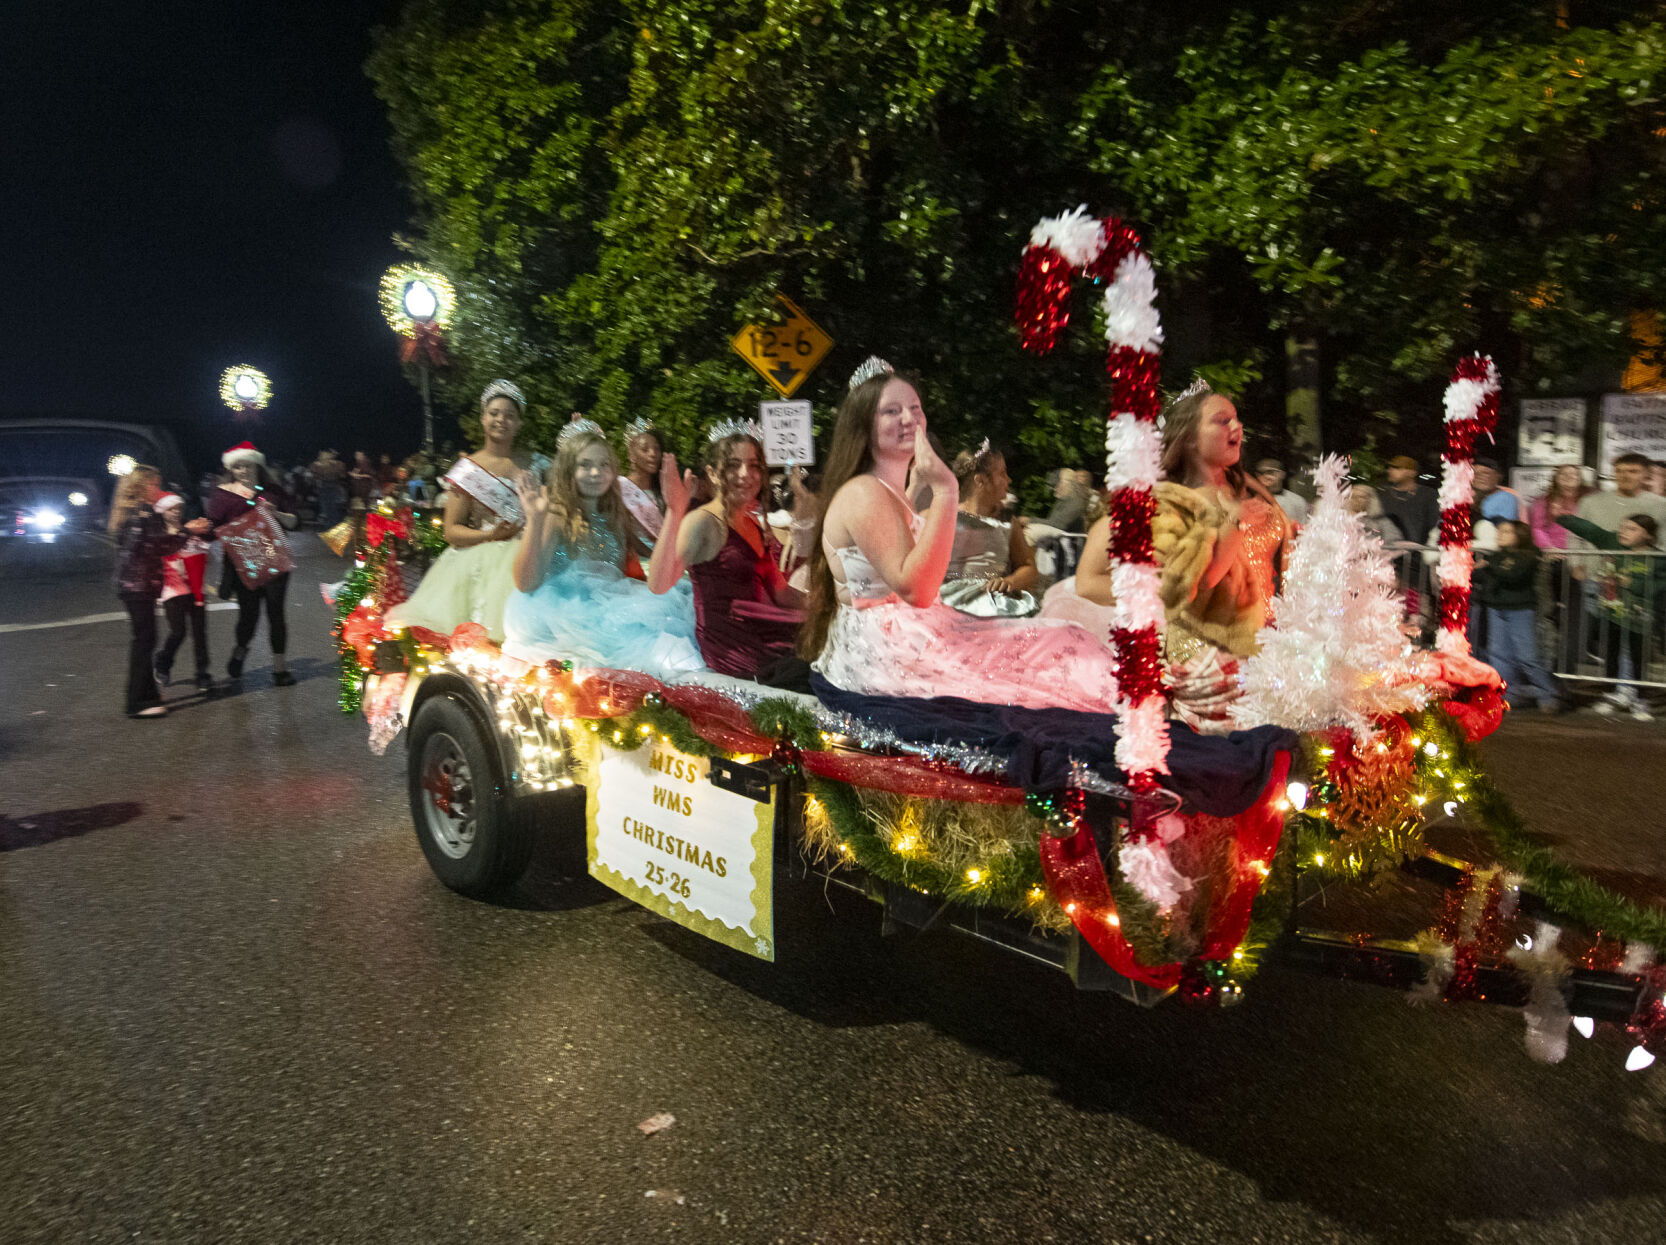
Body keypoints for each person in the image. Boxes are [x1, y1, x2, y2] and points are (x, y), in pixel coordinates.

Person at [798, 359, 1122, 712]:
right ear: (862, 425)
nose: (909, 419)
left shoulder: (888, 492)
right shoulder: (864, 492)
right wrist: (946, 490)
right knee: (1058, 654)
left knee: (1063, 642)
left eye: (915, 408)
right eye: (891, 411)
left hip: (919, 630)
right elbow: (916, 589)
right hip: (888, 651)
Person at [504, 421, 702, 676]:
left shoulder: (614, 516)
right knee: (652, 647)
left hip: (610, 608)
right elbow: (525, 583)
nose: (595, 472)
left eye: (603, 465)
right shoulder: (557, 515)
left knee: (675, 614)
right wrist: (536, 519)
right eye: (584, 465)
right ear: (567, 471)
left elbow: (620, 577)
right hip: (564, 612)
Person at [1148, 382, 1293, 731]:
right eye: (1222, 420)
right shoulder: (1172, 502)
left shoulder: (1249, 486)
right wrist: (1230, 523)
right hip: (1208, 651)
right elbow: (1184, 587)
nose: (1237, 427)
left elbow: (1281, 559)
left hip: (1270, 637)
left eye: (1237, 419)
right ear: (1190, 439)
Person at [383, 380, 547, 643]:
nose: (501, 420)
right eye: (494, 413)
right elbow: (451, 531)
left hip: (530, 556)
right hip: (482, 562)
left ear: (519, 424)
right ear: (483, 418)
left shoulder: (536, 463)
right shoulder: (467, 471)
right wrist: (491, 535)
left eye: (510, 415)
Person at [647, 421, 806, 681]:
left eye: (754, 465)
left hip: (766, 630)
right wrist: (675, 512)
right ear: (712, 473)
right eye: (734, 465)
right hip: (735, 651)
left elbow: (781, 592)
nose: (746, 474)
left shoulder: (752, 522)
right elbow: (659, 583)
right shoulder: (703, 522)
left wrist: (831, 606)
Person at [110, 466, 211, 717]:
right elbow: (159, 546)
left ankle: (148, 696)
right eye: (155, 484)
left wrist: (185, 532)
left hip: (136, 585)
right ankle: (137, 703)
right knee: (144, 642)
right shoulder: (142, 513)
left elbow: (154, 544)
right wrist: (189, 531)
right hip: (138, 585)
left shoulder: (134, 513)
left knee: (145, 640)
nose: (159, 489)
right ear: (144, 486)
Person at [1563, 453, 1666, 681]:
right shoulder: (1592, 501)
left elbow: (1663, 543)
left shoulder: (1659, 505)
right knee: (1608, 639)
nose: (1625, 476)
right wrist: (1575, 563)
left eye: (1633, 471)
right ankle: (1614, 689)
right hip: (1596, 578)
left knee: (1634, 638)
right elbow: (1575, 535)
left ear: (1645, 474)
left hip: (1637, 583)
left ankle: (1630, 690)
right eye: (1620, 471)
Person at [206, 442, 300, 686]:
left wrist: (276, 514)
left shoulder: (272, 491)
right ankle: (240, 650)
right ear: (231, 469)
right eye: (237, 467)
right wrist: (194, 531)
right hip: (242, 565)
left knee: (276, 613)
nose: (243, 471)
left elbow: (293, 523)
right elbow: (212, 529)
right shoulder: (222, 495)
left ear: (257, 464)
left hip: (274, 561)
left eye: (247, 465)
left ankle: (280, 668)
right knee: (249, 616)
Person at [1557, 510, 1662, 720]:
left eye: (1632, 529)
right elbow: (1589, 530)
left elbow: (1660, 585)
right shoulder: (1611, 541)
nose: (1624, 532)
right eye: (1623, 527)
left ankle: (1640, 701)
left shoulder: (1658, 558)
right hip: (1612, 614)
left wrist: (1635, 584)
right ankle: (1612, 694)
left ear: (1648, 535)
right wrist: (1562, 517)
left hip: (1638, 619)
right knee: (1611, 657)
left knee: (1638, 660)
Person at [938, 441, 1041, 617]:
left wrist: (1011, 581)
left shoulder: (1007, 521)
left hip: (992, 602)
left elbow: (1029, 568)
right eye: (1002, 474)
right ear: (980, 480)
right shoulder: (945, 516)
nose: (1008, 480)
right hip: (947, 601)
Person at [1476, 521, 1563, 714]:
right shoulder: (1496, 557)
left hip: (1520, 609)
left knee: (1527, 656)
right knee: (1499, 655)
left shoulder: (1529, 556)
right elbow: (1483, 576)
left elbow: (1512, 575)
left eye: (1507, 531)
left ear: (1520, 536)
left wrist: (1488, 565)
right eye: (1500, 530)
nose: (1500, 534)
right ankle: (1508, 695)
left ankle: (1549, 693)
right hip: (1496, 608)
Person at [153, 492, 215, 695]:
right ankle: (163, 663)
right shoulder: (160, 533)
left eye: (178, 508)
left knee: (200, 634)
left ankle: (202, 674)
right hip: (172, 589)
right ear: (162, 511)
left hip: (195, 589)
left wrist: (204, 535)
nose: (176, 512)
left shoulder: (190, 530)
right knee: (178, 631)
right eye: (171, 509)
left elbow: (208, 551)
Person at [619, 418, 666, 544]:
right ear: (631, 455)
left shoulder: (663, 490)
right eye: (645, 449)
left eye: (657, 449)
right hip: (633, 560)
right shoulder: (620, 487)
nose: (653, 454)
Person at [1254, 458, 1310, 526]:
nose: (1266, 476)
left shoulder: (1297, 501)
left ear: (1282, 474)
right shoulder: (1252, 502)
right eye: (1261, 473)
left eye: (1270, 472)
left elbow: (1304, 530)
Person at [1473, 458, 1524, 524]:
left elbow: (1505, 527)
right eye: (1475, 473)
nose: (1479, 477)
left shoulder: (1506, 497)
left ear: (1498, 477)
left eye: (1486, 473)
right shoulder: (1463, 496)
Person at [312, 450, 347, 527]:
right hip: (324, 487)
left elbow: (342, 476)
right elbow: (315, 477)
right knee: (327, 507)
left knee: (334, 507)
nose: (323, 456)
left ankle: (335, 525)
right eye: (321, 454)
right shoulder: (317, 465)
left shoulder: (338, 464)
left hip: (333, 487)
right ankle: (330, 524)